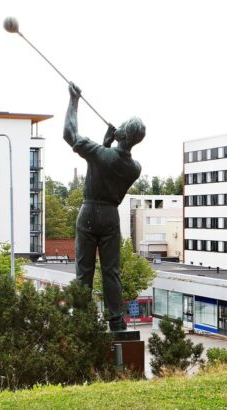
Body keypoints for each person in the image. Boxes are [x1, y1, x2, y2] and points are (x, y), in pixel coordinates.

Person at [63, 82, 144, 332]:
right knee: (112, 272)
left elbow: (69, 134)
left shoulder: (99, 153)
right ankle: (116, 320)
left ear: (122, 134)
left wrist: (74, 101)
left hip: (88, 214)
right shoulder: (135, 168)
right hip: (110, 216)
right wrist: (109, 143)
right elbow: (111, 164)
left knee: (83, 271)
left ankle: (81, 319)